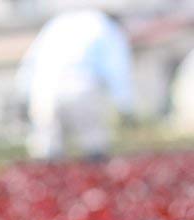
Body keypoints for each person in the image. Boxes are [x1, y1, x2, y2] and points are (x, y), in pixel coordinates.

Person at [16, 10, 135, 161]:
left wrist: (22, 94)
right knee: (94, 145)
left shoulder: (57, 23)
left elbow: (30, 61)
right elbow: (117, 69)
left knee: (48, 148)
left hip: (44, 88)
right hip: (82, 86)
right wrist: (125, 107)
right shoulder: (106, 27)